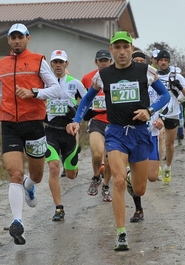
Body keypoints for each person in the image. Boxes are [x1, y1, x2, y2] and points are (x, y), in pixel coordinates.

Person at [66, 31, 170, 251]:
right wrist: (76, 120)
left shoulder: (145, 70)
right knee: (119, 181)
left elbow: (165, 96)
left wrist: (149, 111)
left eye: (125, 47)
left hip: (140, 134)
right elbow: (86, 99)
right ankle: (121, 233)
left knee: (140, 190)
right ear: (111, 50)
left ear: (132, 49)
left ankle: (133, 179)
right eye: (117, 47)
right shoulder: (103, 75)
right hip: (115, 133)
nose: (121, 52)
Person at [0, 23, 61, 245]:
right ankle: (17, 221)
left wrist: (34, 92)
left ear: (27, 39)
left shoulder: (38, 60)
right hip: (9, 123)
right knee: (14, 172)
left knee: (37, 176)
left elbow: (56, 89)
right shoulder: (1, 64)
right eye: (12, 38)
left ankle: (29, 186)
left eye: (20, 37)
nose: (16, 41)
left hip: (33, 123)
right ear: (8, 40)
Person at [45, 50, 87, 221]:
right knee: (54, 167)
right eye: (55, 62)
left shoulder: (75, 83)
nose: (58, 65)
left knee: (70, 174)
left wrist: (76, 114)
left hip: (69, 131)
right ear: (51, 64)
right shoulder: (44, 83)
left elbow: (87, 103)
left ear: (66, 64)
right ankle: (59, 208)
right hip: (50, 130)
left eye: (61, 62)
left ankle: (73, 158)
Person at [126, 50, 165, 222]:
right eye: (137, 61)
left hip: (152, 134)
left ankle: (131, 174)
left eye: (143, 61)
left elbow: (165, 101)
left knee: (152, 177)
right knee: (136, 180)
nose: (140, 64)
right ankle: (138, 209)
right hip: (134, 134)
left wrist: (161, 119)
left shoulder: (154, 80)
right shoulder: (126, 82)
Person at [81, 49, 113, 202]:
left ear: (110, 62)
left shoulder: (117, 77)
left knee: (109, 161)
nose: (104, 63)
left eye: (106, 60)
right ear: (96, 62)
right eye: (101, 61)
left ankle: (106, 186)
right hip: (97, 121)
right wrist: (82, 114)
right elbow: (82, 99)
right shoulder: (88, 78)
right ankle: (95, 177)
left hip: (114, 122)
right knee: (97, 153)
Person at [156, 50, 185, 184]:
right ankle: (158, 167)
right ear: (157, 62)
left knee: (169, 144)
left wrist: (179, 87)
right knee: (159, 138)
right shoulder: (152, 75)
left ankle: (168, 167)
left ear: (169, 62)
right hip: (157, 113)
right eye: (161, 60)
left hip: (172, 113)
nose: (163, 62)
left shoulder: (177, 76)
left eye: (166, 60)